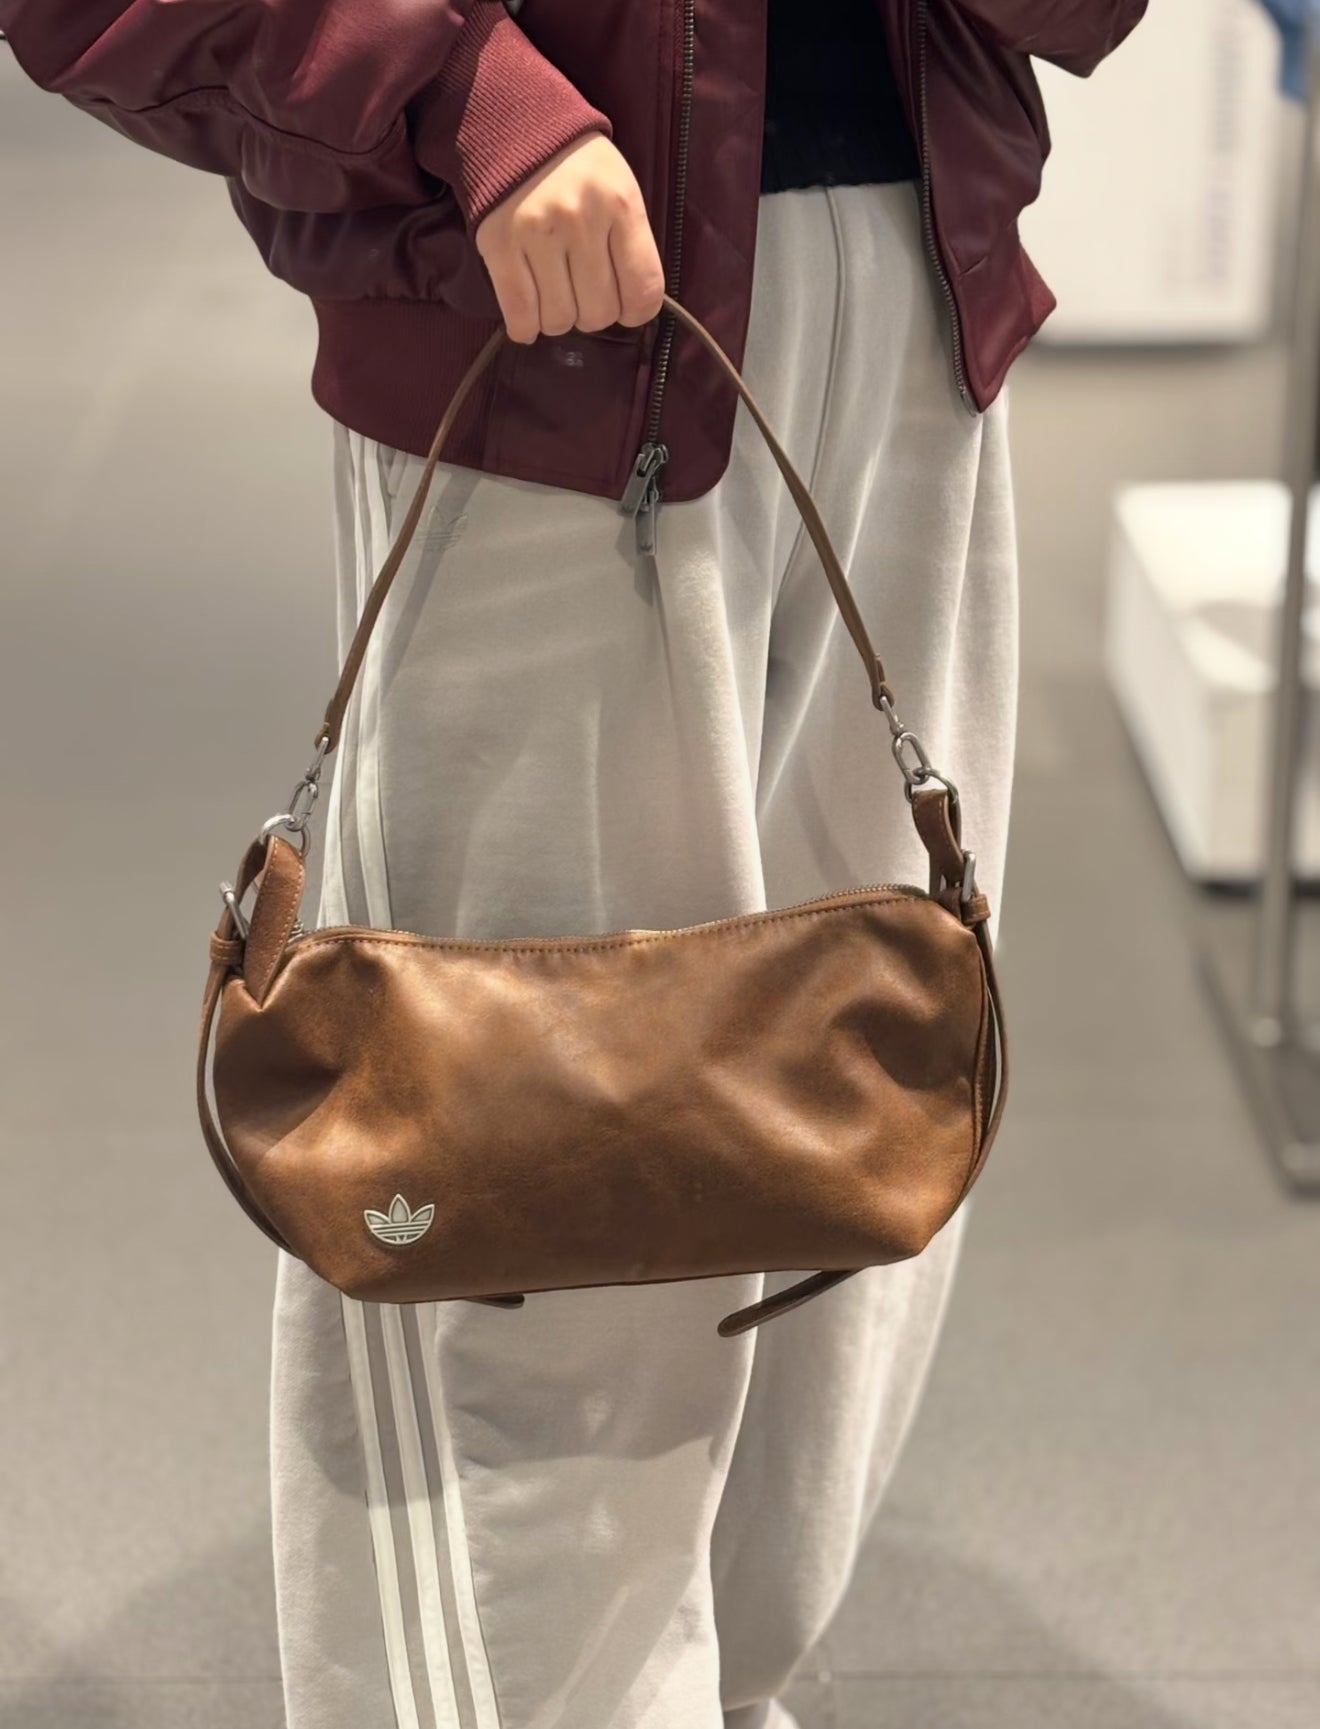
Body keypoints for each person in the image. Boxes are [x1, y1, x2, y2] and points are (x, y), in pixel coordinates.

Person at [2, 2, 1146, 1726]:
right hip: (543, 312)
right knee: (507, 1183)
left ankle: (728, 1677)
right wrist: (461, 90)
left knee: (845, 1132)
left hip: (925, 267)